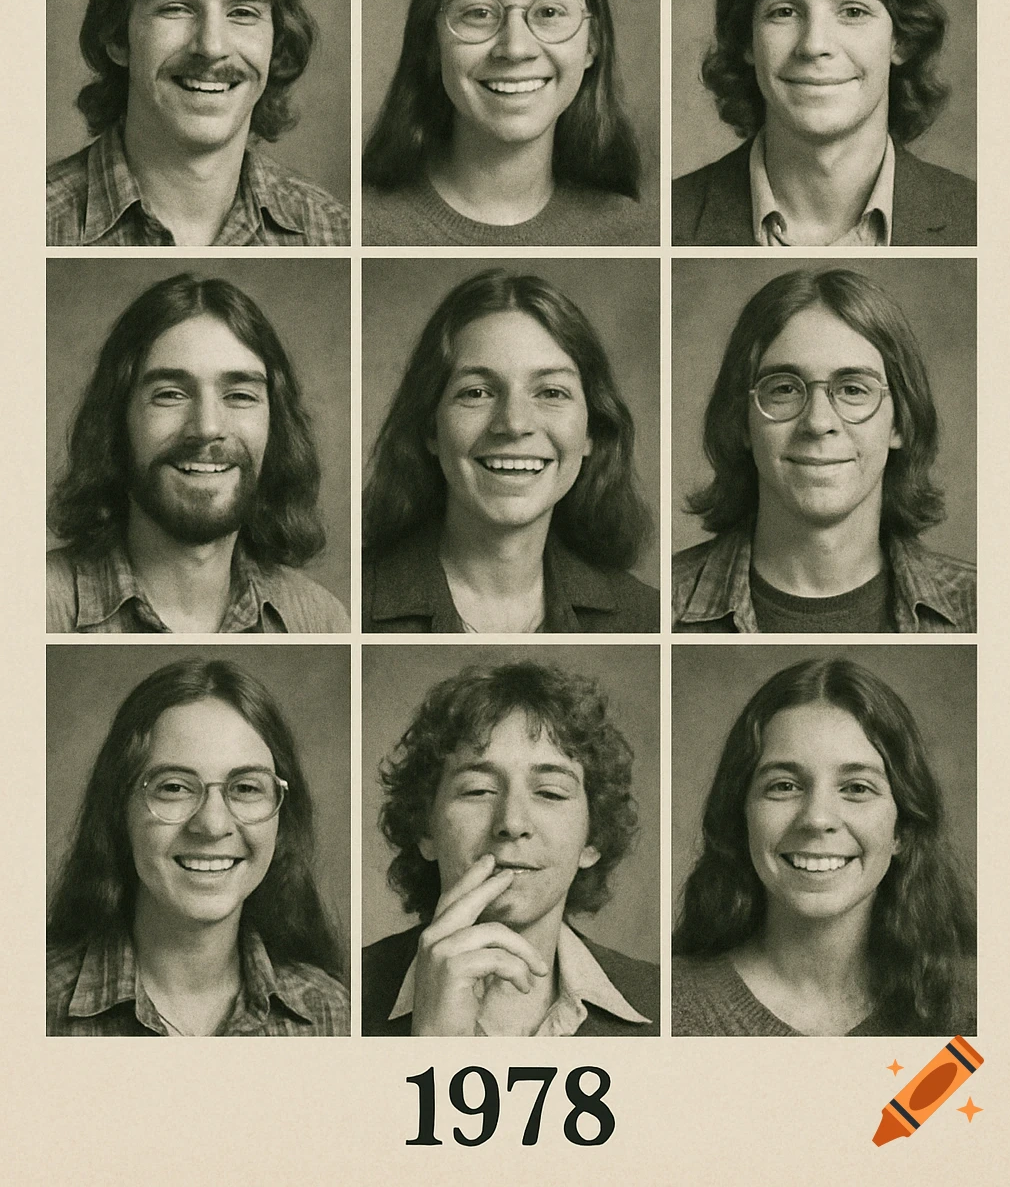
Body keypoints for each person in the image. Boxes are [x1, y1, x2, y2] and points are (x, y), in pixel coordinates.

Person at [672, 658, 976, 1037]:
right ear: (741, 818)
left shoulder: (978, 1011)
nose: (817, 819)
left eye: (856, 788)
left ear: (903, 830)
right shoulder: (673, 1009)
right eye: (784, 786)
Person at [47, 658, 350, 1036]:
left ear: (281, 816)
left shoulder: (331, 1014)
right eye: (174, 787)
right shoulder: (32, 1008)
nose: (212, 825)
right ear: (117, 811)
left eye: (245, 788)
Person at [363, 660, 659, 1037]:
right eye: (478, 791)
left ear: (592, 839)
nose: (512, 823)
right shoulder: (349, 993)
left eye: (550, 792)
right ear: (426, 831)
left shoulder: (660, 999)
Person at [671, 268, 975, 633]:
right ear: (742, 421)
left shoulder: (987, 607)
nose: (817, 422)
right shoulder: (664, 606)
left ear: (900, 423)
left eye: (853, 390)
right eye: (784, 389)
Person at [672, 0, 976, 246]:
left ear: (902, 39)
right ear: (745, 39)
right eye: (784, 12)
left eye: (853, 11)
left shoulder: (983, 220)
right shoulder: (672, 219)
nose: (815, 45)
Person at [47, 273, 349, 633]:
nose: (207, 428)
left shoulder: (320, 620)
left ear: (275, 426)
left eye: (240, 396)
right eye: (170, 394)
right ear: (116, 421)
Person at [47, 0, 349, 246]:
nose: (211, 47)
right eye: (176, 7)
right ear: (117, 37)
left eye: (242, 13)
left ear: (276, 43)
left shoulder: (330, 230)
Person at [363, 268, 659, 632]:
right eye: (477, 392)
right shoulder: (354, 611)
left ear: (591, 432)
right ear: (430, 429)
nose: (514, 424)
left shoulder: (646, 617)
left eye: (551, 392)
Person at [362, 0, 652, 246]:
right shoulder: (362, 228)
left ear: (592, 43)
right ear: (431, 42)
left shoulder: (638, 235)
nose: (515, 49)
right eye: (479, 13)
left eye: (549, 12)